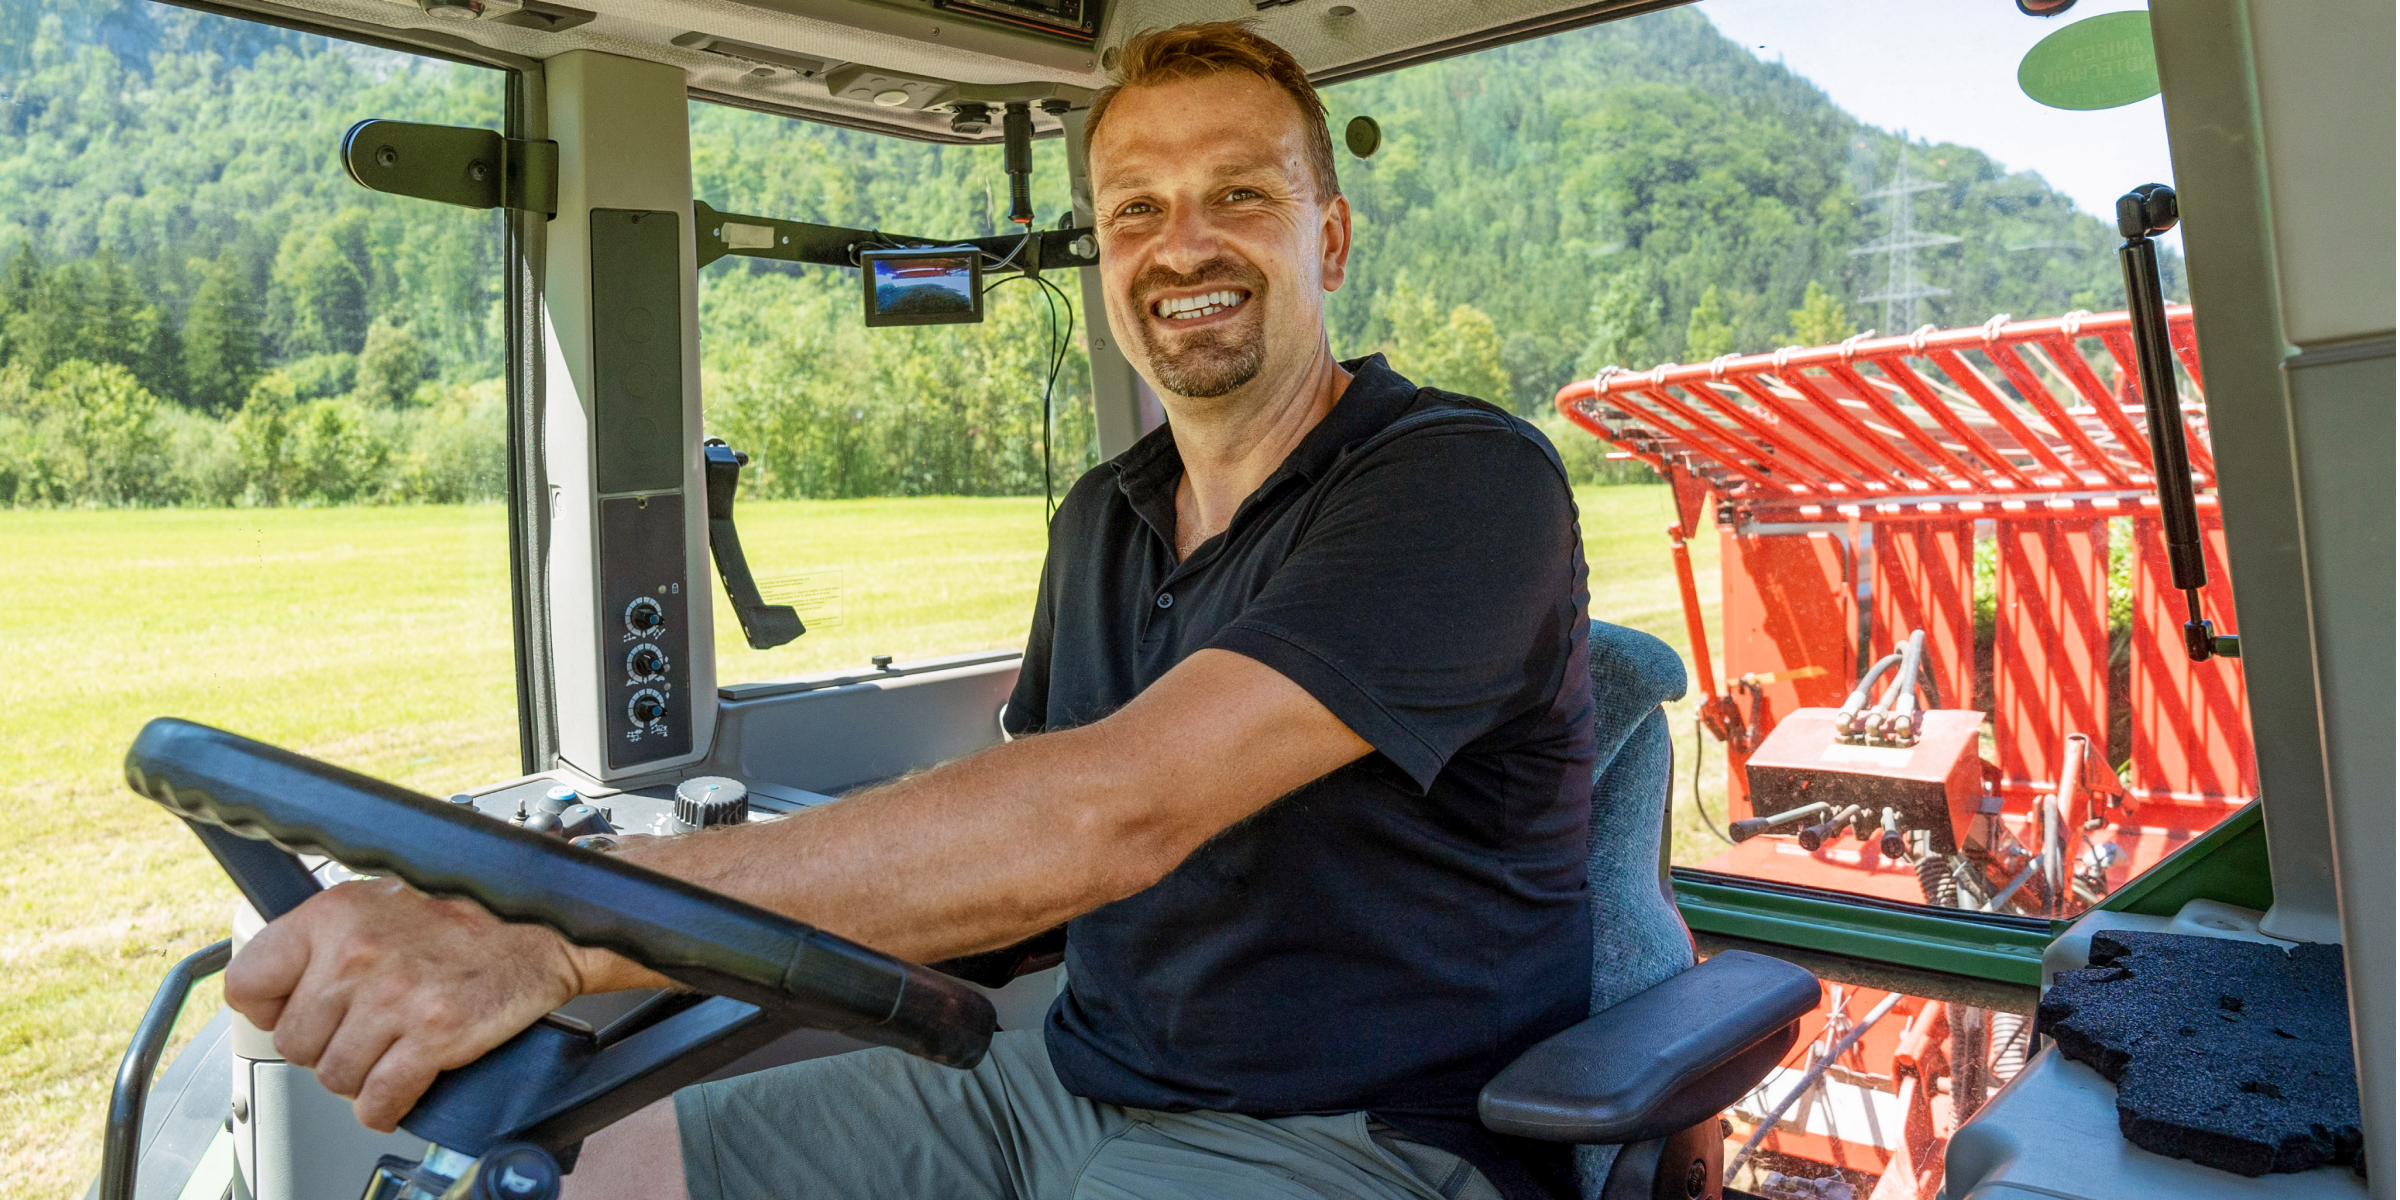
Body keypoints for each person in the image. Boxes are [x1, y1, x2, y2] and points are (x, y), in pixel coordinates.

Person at [225, 22, 1597, 1200]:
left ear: (1330, 238)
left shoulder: (1460, 485)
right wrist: (677, 933)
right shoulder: (1104, 520)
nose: (1182, 246)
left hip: (1352, 1137)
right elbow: (1030, 860)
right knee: (589, 1166)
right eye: (1133, 209)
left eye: (1239, 195)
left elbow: (1109, 811)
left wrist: (543, 928)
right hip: (1051, 1074)